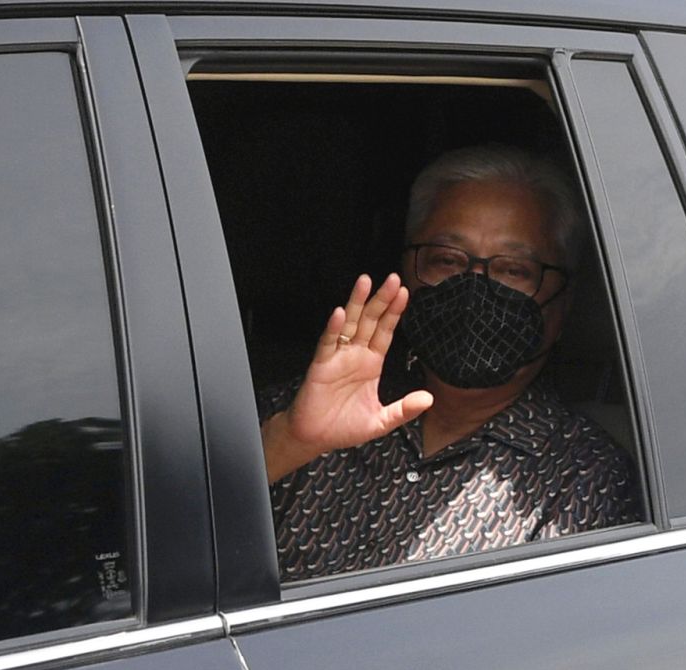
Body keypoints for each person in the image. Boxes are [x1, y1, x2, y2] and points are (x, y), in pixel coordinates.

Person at [259, 145, 641, 581]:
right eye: (446, 260)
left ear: (564, 300)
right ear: (407, 268)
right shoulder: (308, 409)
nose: (474, 287)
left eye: (514, 270)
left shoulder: (584, 476)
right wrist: (289, 444)